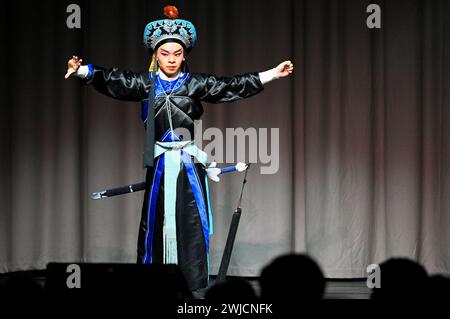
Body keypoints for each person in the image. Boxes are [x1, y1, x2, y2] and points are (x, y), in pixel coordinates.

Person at [65, 5, 294, 292]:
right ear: (155, 54)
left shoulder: (195, 84)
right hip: (160, 165)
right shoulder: (145, 84)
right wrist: (82, 70)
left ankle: (194, 285)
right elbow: (114, 80)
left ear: (184, 55)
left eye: (176, 54)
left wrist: (271, 73)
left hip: (188, 164)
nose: (171, 59)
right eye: (165, 53)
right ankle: (152, 281)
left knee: (192, 224)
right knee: (154, 223)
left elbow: (230, 86)